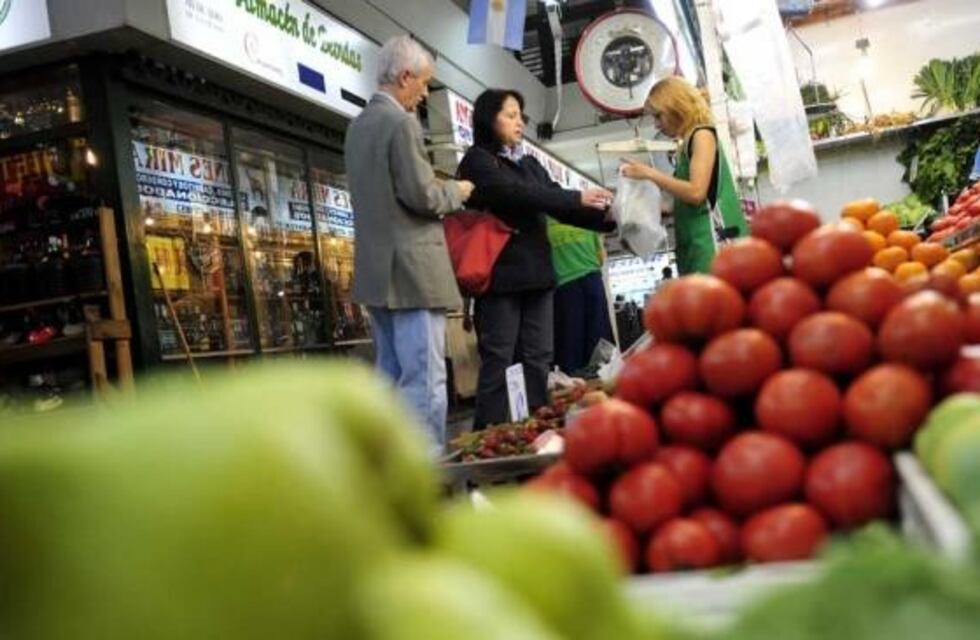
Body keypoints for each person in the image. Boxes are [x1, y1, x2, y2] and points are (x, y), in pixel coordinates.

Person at [344, 35, 474, 452]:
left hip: (376, 271)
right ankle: (427, 470)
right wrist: (459, 191)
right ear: (404, 77)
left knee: (389, 376)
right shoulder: (401, 123)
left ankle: (390, 468)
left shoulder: (358, 126)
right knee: (426, 379)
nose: (425, 92)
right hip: (414, 272)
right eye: (424, 82)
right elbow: (421, 195)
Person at [457, 88, 614, 428]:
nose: (519, 123)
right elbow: (514, 194)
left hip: (539, 277)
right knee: (499, 359)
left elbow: (557, 201)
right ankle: (488, 438)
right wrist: (576, 198)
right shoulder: (477, 161)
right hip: (499, 280)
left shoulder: (529, 164)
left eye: (520, 116)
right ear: (488, 119)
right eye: (510, 115)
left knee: (538, 359)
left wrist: (611, 218)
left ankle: (536, 431)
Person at [620, 76, 747, 275]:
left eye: (658, 116)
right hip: (696, 242)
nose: (656, 125)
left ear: (676, 108)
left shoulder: (701, 135)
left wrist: (650, 173)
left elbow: (696, 193)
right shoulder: (686, 144)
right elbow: (686, 197)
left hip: (713, 240)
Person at [547, 219, 614, 374]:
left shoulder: (543, 218)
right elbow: (600, 256)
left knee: (571, 346)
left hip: (566, 284)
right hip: (587, 280)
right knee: (598, 341)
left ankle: (577, 384)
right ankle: (602, 383)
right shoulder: (582, 215)